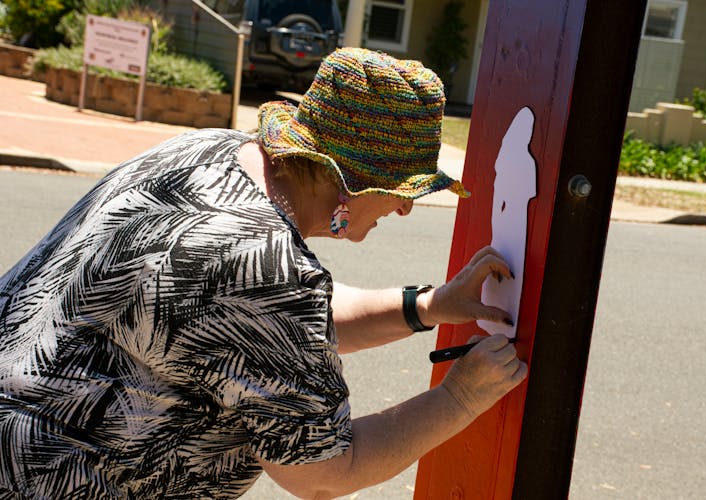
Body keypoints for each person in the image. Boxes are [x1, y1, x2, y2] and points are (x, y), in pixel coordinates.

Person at [0, 48, 527, 499]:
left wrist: (428, 306)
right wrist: (460, 397)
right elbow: (321, 474)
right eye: (403, 190)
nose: (406, 209)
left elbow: (261, 329)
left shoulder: (205, 151)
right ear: (349, 184)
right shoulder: (268, 270)